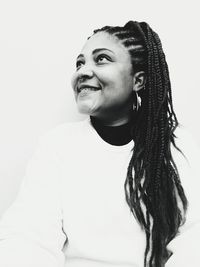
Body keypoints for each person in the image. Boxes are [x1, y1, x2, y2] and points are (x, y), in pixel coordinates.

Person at [0, 20, 199, 267]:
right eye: (80, 63)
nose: (82, 71)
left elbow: (194, 240)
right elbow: (27, 236)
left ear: (139, 80)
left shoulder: (177, 145)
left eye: (102, 59)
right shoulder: (58, 145)